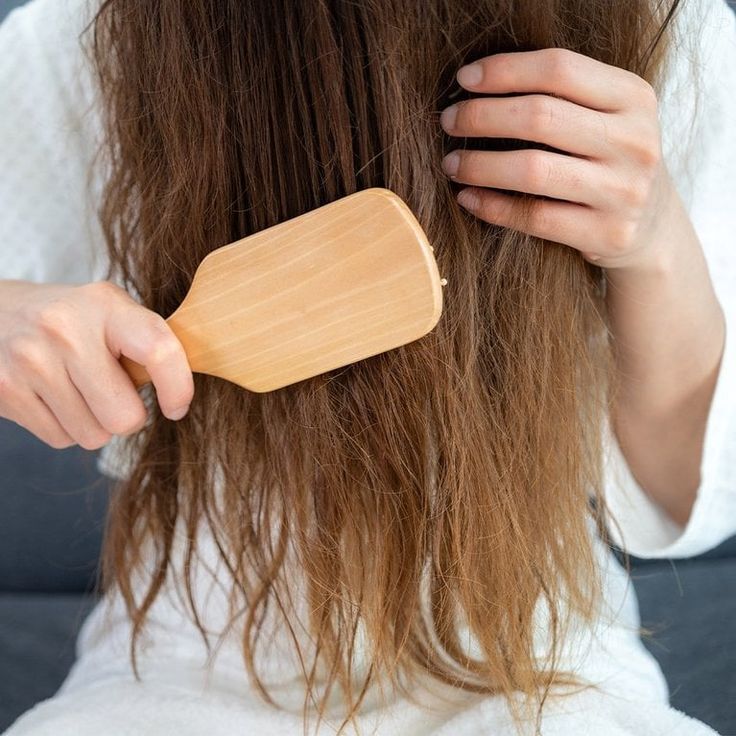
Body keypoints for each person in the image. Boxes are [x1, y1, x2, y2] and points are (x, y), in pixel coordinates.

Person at [0, 0, 734, 734]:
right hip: (184, 651)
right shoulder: (89, 33)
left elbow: (681, 498)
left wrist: (656, 244)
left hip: (536, 651)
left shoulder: (659, 31)